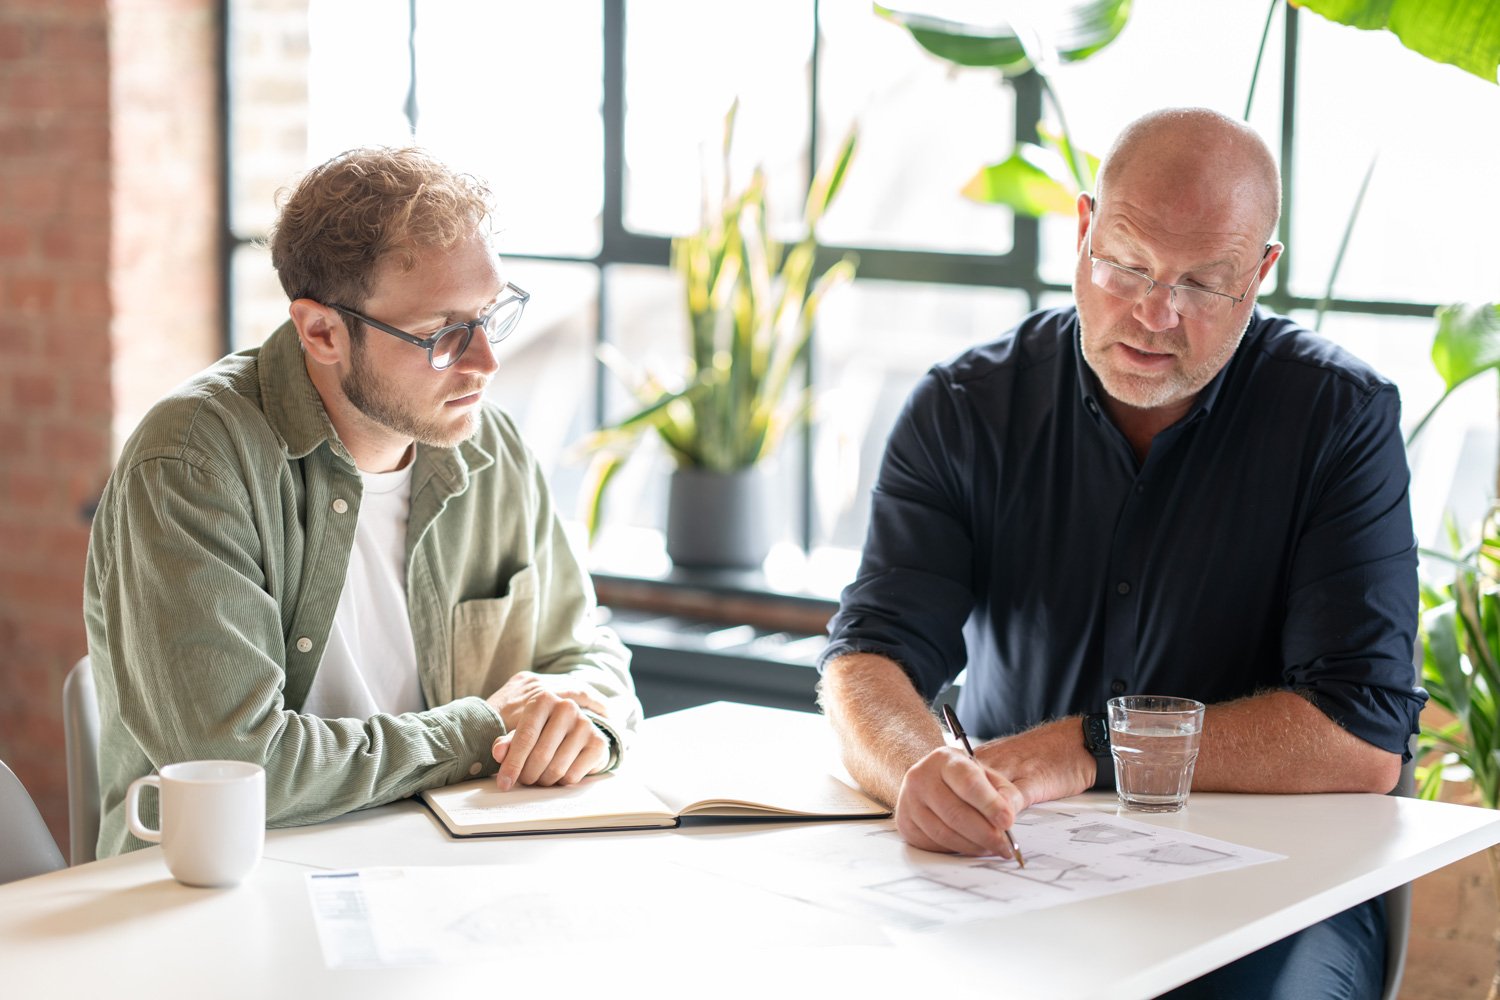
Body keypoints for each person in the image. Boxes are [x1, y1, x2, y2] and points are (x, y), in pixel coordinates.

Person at [817, 108, 1424, 998]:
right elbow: (868, 653)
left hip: (1274, 892)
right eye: (1127, 264)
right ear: (1082, 230)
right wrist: (919, 771)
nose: (1154, 312)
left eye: (1205, 284)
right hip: (1010, 863)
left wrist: (1093, 747)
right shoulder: (964, 408)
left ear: (1260, 274)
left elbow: (1363, 735)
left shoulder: (1339, 420)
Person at [84, 147, 640, 858]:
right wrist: (480, 732)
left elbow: (584, 649)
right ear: (322, 332)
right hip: (217, 892)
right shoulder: (191, 463)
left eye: (490, 315)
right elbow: (237, 767)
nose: (485, 363)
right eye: (443, 334)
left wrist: (587, 723)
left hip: (435, 868)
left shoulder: (487, 443)